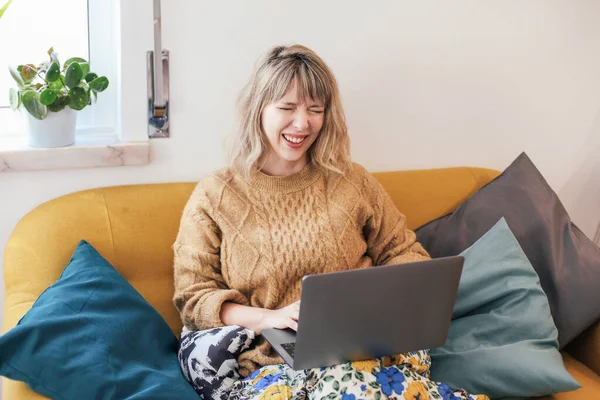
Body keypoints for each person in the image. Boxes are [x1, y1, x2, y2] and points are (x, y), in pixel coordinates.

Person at [173, 44, 488, 400]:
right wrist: (266, 318)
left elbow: (405, 253)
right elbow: (193, 299)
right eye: (287, 108)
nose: (302, 123)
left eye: (315, 110)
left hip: (368, 351)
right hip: (272, 364)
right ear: (258, 109)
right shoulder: (215, 195)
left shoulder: (352, 182)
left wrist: (370, 302)